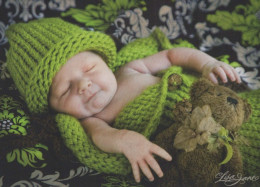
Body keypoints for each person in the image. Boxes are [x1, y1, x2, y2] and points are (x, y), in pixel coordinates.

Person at [6, 18, 241, 183]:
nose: (83, 85)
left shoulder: (130, 70)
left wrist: (207, 63)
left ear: (104, 60)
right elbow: (101, 137)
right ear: (53, 108)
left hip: (224, 106)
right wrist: (126, 141)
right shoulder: (92, 121)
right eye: (65, 90)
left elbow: (172, 55)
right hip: (198, 144)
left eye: (89, 68)